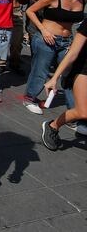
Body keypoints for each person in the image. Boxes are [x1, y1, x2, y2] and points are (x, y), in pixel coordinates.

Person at [23, 0, 86, 116]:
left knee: (69, 73)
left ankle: (74, 111)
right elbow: (30, 11)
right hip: (46, 39)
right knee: (41, 70)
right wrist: (43, 30)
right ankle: (29, 98)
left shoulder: (82, 0)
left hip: (67, 41)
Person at [42, 15, 87, 147]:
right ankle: (53, 126)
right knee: (83, 111)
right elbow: (73, 53)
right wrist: (54, 78)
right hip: (84, 69)